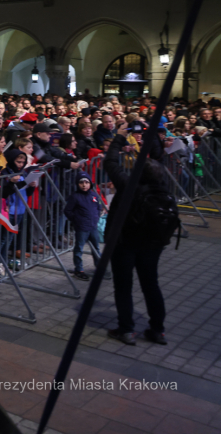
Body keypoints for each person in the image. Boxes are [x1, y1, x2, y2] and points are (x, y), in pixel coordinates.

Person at [103, 132, 172, 346]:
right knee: (151, 284)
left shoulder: (128, 185)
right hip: (152, 245)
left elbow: (110, 161)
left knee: (123, 286)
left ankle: (126, 329)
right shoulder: (163, 190)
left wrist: (119, 137)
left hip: (125, 243)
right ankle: (157, 330)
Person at [63, 171, 104, 281]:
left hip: (93, 227)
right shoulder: (75, 197)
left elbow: (99, 206)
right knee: (79, 249)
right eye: (81, 183)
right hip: (82, 228)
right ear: (77, 184)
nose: (84, 185)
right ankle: (79, 269)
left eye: (86, 182)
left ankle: (99, 267)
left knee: (96, 248)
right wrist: (77, 219)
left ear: (90, 183)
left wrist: (97, 216)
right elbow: (67, 210)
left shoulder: (94, 195)